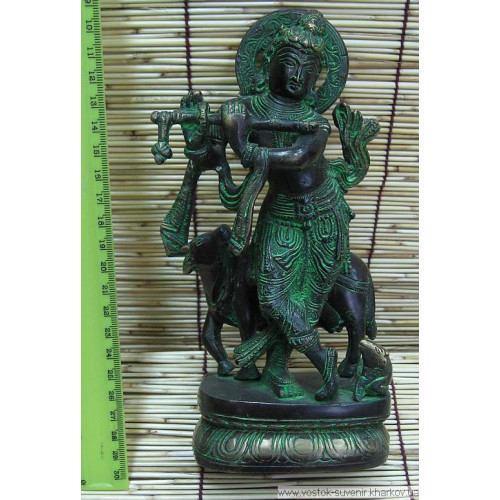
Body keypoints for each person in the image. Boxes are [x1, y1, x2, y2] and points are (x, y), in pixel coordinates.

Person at [221, 11, 354, 400]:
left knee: (306, 304)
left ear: (317, 79)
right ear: (268, 64)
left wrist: (249, 149)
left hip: (324, 214)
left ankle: (277, 372)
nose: (298, 75)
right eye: (290, 63)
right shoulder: (247, 109)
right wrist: (233, 130)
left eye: (308, 69)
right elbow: (228, 130)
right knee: (273, 298)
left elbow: (299, 157)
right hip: (280, 214)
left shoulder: (315, 122)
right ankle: (322, 358)